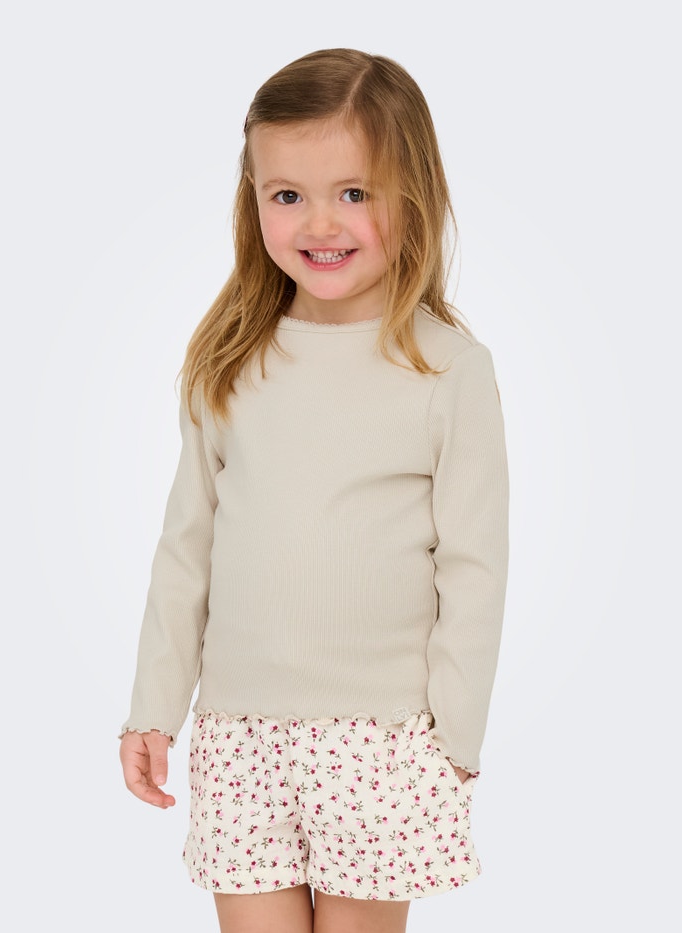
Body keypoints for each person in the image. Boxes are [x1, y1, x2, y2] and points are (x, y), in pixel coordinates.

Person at [119, 47, 509, 933]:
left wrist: (454, 735)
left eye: (355, 192)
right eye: (287, 194)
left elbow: (475, 566)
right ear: (251, 199)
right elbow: (187, 548)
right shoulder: (228, 361)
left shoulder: (447, 369)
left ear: (414, 196)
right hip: (239, 736)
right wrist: (154, 706)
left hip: (384, 742)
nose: (320, 222)